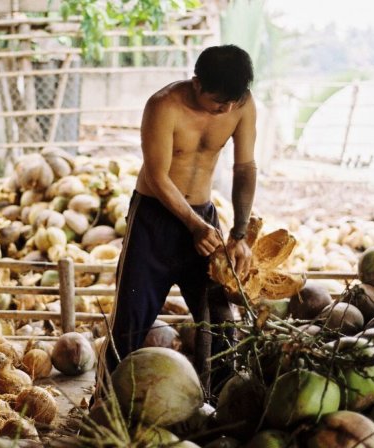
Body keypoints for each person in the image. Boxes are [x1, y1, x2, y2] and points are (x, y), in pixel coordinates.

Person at [94, 44, 257, 400]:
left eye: (233, 101)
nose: (226, 110)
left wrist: (239, 234)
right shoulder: (163, 105)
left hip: (203, 218)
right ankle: (103, 409)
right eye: (219, 102)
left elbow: (244, 168)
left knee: (219, 320)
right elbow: (156, 175)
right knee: (130, 321)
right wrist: (193, 225)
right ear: (197, 84)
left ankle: (220, 407)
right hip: (155, 218)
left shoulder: (240, 104)